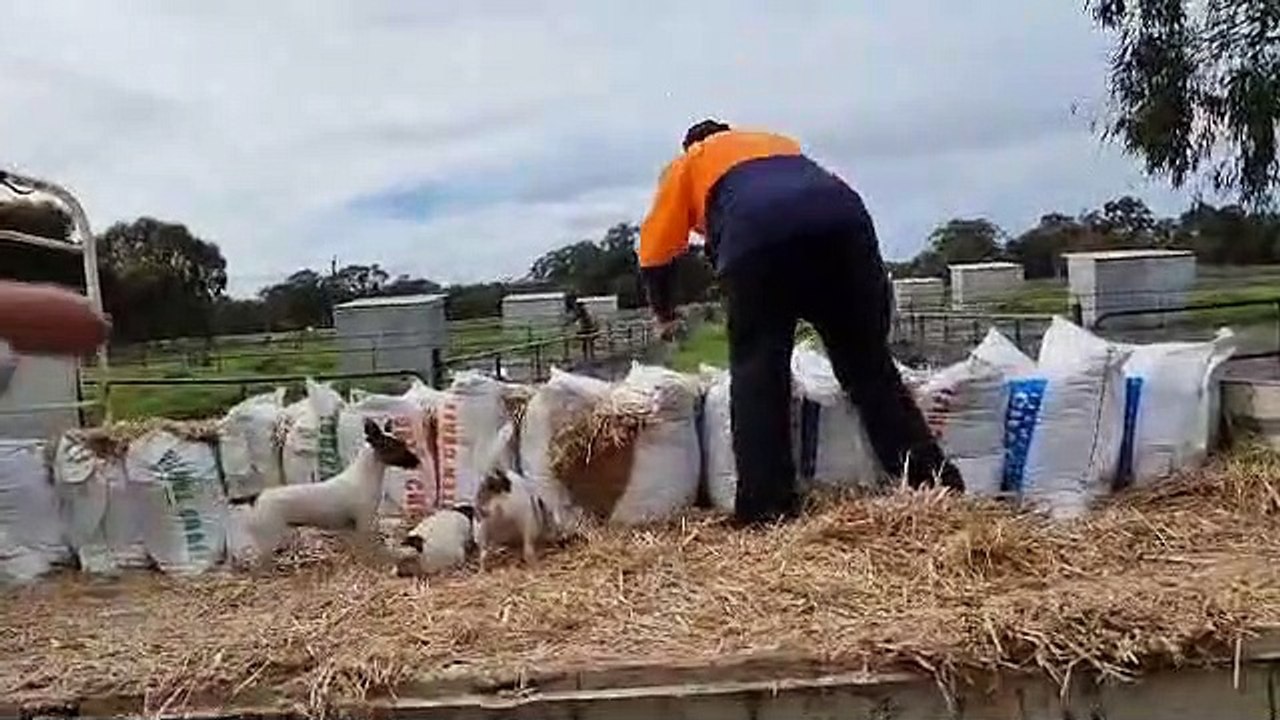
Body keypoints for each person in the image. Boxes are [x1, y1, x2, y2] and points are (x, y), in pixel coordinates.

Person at [637, 119, 963, 526]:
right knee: (870, 371)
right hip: (845, 224)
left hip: (759, 236)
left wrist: (664, 313)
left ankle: (767, 508)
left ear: (692, 145)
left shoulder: (691, 161)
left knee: (759, 374)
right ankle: (934, 483)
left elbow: (654, 252)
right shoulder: (777, 144)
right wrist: (868, 332)